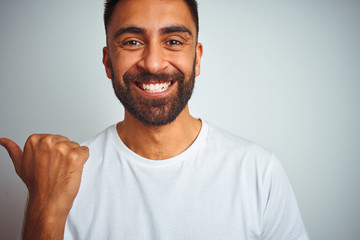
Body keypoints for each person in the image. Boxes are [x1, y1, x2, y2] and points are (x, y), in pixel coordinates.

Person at [0, 0, 309, 239]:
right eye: (132, 42)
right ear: (108, 62)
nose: (153, 62)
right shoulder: (62, 177)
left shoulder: (258, 171)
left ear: (197, 58)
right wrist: (45, 208)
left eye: (173, 41)